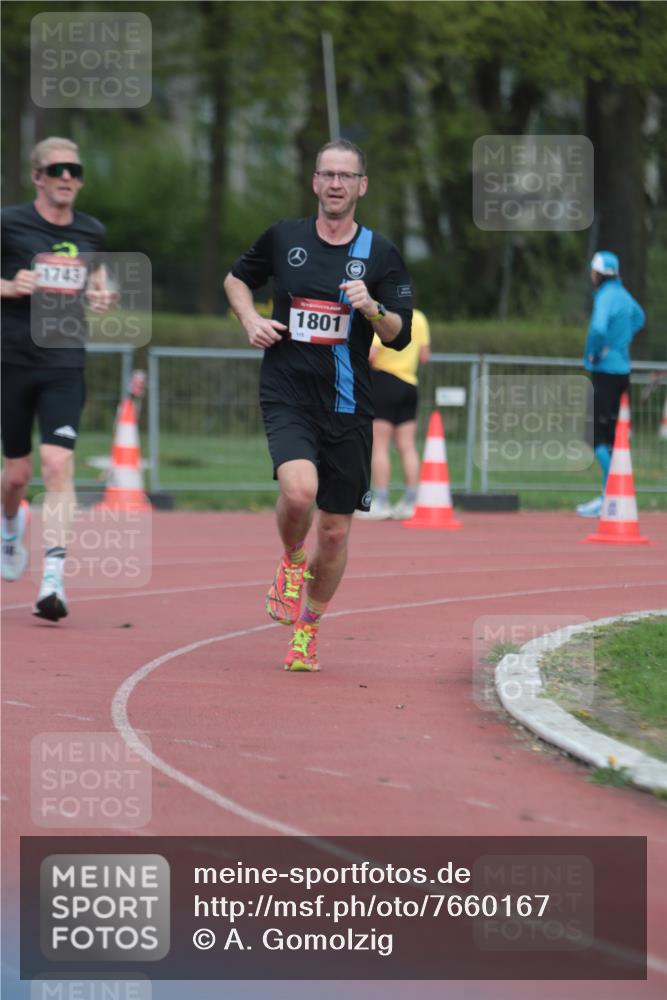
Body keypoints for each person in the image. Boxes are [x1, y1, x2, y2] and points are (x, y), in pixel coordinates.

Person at [224, 139, 412, 672]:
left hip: (348, 404)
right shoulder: (285, 237)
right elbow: (236, 279)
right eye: (327, 174)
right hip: (287, 392)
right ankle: (291, 560)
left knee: (334, 530)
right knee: (298, 491)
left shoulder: (380, 253)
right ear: (314, 182)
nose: (335, 184)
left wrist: (372, 307)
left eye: (345, 176)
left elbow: (399, 335)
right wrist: (250, 320)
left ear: (361, 186)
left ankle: (308, 628)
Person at [1, 137, 113, 619]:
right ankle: (10, 527)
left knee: (57, 463)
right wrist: (9, 286)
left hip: (64, 360)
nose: (67, 177)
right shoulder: (9, 223)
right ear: (38, 177)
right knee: (16, 475)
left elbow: (96, 280)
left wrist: (101, 294)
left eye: (75, 170)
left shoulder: (92, 230)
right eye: (57, 169)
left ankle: (53, 578)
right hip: (11, 359)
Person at [577, 250, 645, 517]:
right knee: (610, 436)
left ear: (597, 274)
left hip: (605, 371)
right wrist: (620, 341)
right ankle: (611, 495)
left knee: (594, 434)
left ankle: (612, 492)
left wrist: (595, 352)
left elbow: (598, 328)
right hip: (622, 371)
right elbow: (639, 318)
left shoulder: (605, 297)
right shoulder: (624, 295)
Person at [359, 307, 430, 519]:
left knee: (379, 446)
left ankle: (381, 501)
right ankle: (411, 501)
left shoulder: (384, 316)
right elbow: (424, 355)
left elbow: (372, 354)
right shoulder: (419, 317)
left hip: (385, 381)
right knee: (407, 446)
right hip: (410, 384)